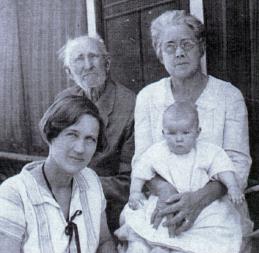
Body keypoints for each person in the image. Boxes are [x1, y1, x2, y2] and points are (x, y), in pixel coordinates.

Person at [119, 10, 252, 252]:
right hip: (160, 200)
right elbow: (142, 159)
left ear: (200, 48)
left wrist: (197, 200)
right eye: (169, 47)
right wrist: (168, 195)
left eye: (186, 44)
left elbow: (238, 163)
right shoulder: (148, 97)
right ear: (160, 54)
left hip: (216, 204)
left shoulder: (228, 96)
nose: (179, 52)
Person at [117, 101, 242, 253]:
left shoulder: (208, 151)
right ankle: (157, 246)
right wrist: (135, 191)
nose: (179, 139)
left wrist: (232, 186)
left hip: (202, 207)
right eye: (172, 133)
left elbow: (223, 168)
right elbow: (141, 171)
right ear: (163, 133)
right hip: (165, 202)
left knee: (209, 231)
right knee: (153, 227)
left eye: (185, 133)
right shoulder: (157, 151)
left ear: (198, 132)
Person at [0, 95, 117, 253]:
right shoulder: (14, 194)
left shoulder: (90, 180)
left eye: (90, 139)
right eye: (72, 134)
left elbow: (104, 242)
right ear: (52, 135)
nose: (80, 149)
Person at [57, 34, 136, 232]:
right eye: (78, 59)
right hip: (64, 200)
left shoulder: (130, 105)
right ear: (69, 72)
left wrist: (78, 186)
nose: (87, 65)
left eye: (93, 57)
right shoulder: (63, 101)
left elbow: (130, 181)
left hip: (110, 208)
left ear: (107, 64)